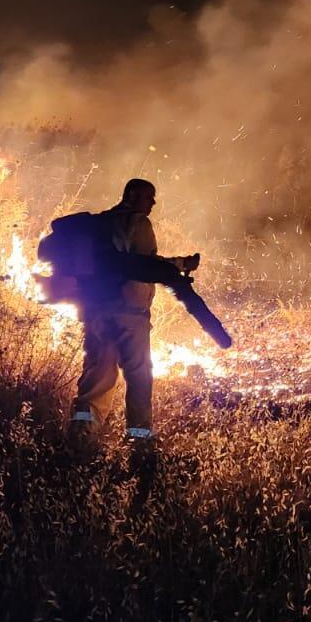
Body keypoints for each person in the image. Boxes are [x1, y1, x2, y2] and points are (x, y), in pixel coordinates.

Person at [67, 178, 199, 452]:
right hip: (129, 315)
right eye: (149, 197)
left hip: (97, 314)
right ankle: (139, 444)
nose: (152, 203)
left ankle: (81, 439)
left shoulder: (101, 224)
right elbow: (144, 265)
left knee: (97, 377)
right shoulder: (138, 224)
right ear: (132, 195)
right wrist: (180, 266)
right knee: (139, 377)